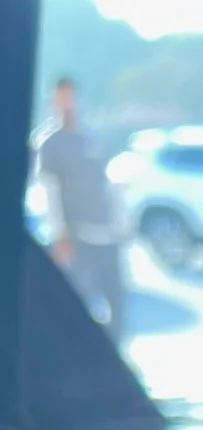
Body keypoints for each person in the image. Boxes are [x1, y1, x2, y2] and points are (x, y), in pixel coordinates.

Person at [33, 77, 126, 344]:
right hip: (77, 238)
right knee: (80, 307)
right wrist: (59, 235)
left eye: (70, 96)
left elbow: (106, 183)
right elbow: (48, 191)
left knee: (116, 303)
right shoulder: (50, 143)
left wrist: (121, 222)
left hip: (108, 236)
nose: (67, 104)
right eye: (60, 98)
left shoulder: (90, 137)